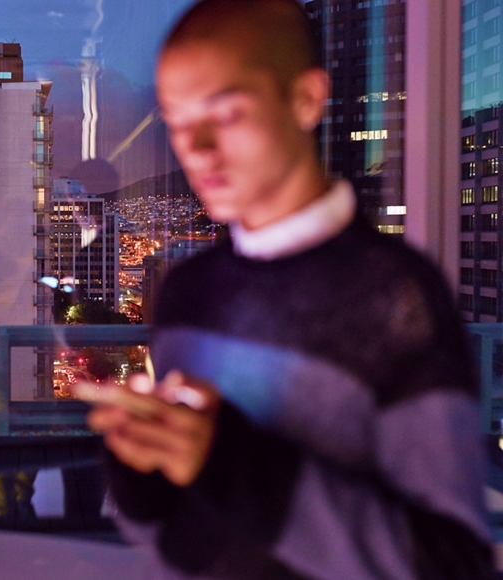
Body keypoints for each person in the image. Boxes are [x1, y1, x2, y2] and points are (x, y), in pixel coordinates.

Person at [83, 0, 495, 578]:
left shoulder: (398, 298)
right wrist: (141, 473)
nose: (196, 149)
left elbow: (453, 560)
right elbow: (170, 536)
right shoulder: (187, 291)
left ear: (306, 99)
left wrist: (227, 462)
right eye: (176, 122)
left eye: (225, 114)